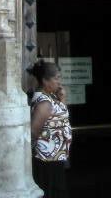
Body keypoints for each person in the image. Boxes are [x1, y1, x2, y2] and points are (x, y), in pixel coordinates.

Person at [28, 60, 72, 196]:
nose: (59, 82)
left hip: (56, 158)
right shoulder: (44, 103)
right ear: (45, 80)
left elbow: (61, 117)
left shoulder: (51, 97)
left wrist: (62, 97)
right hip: (47, 162)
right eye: (56, 78)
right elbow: (33, 132)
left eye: (60, 78)